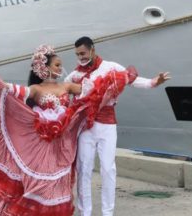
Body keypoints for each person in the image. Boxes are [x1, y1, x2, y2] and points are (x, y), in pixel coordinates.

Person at [0, 44, 136, 216]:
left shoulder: (66, 86)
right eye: (57, 65)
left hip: (63, 144)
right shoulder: (36, 89)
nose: (61, 68)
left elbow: (93, 92)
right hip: (42, 145)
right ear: (44, 68)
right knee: (41, 184)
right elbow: (11, 91)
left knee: (60, 183)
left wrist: (117, 81)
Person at [65, 36, 170, 216]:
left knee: (108, 168)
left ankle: (108, 212)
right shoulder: (75, 75)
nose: (80, 57)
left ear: (92, 49)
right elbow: (62, 93)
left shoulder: (111, 67)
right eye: (77, 54)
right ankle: (85, 213)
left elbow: (133, 80)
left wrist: (154, 82)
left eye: (83, 53)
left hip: (107, 125)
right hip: (85, 127)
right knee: (84, 169)